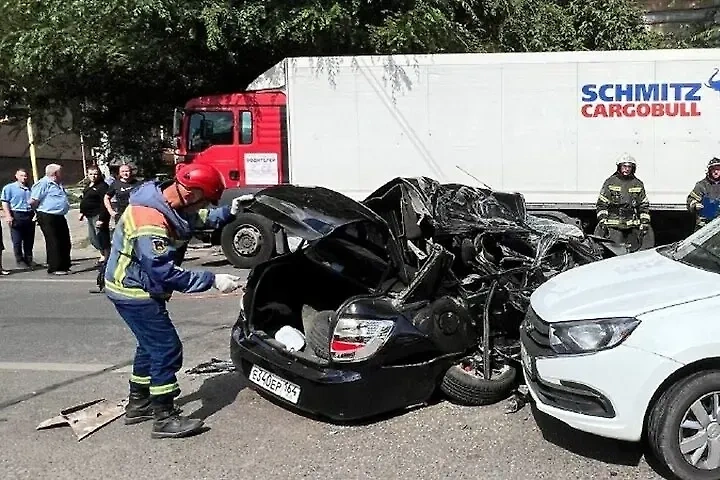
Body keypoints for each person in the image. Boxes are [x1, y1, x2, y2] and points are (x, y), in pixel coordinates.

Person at [104, 163, 244, 439]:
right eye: (202, 200)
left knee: (150, 346)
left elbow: (200, 218)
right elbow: (163, 271)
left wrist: (231, 211)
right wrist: (212, 280)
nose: (201, 208)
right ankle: (164, 417)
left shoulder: (167, 203)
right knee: (167, 349)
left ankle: (138, 404)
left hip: (134, 287)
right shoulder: (150, 220)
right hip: (134, 292)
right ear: (190, 194)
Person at [595, 153, 652, 251]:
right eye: (624, 166)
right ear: (619, 167)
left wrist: (644, 223)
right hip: (613, 227)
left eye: (629, 166)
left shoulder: (637, 184)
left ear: (633, 168)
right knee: (614, 254)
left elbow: (643, 205)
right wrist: (603, 221)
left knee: (633, 254)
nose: (627, 169)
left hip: (632, 227)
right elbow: (601, 204)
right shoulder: (610, 182)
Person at [30, 164, 72, 275]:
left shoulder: (58, 184)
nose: (62, 174)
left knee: (65, 241)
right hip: (47, 215)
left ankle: (64, 265)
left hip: (59, 215)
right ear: (55, 173)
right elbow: (33, 201)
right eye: (60, 172)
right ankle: (55, 267)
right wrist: (37, 213)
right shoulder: (43, 184)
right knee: (54, 241)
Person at [1, 168, 36, 269]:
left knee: (29, 239)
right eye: (21, 175)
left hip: (29, 214)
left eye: (25, 176)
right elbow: (5, 202)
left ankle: (29, 259)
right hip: (16, 214)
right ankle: (19, 260)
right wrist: (8, 215)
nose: (24, 178)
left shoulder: (31, 188)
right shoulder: (9, 188)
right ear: (16, 176)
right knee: (17, 240)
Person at [686, 157, 720, 231]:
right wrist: (695, 205)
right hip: (703, 226)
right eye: (713, 169)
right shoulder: (701, 185)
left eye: (718, 169)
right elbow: (690, 199)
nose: (716, 172)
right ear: (709, 171)